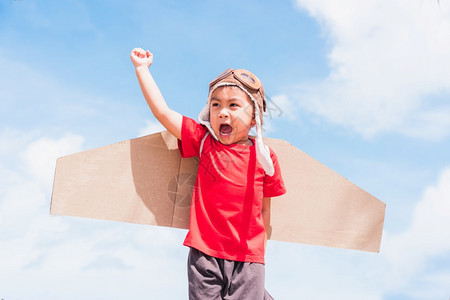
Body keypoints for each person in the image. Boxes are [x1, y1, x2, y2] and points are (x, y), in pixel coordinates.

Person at [130, 48, 286, 300]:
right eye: (216, 105)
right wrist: (142, 70)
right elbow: (162, 112)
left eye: (233, 105)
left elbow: (264, 210)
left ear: (255, 118)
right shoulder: (203, 140)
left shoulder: (265, 158)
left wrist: (259, 253)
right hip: (205, 255)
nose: (223, 112)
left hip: (248, 259)